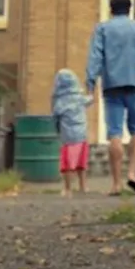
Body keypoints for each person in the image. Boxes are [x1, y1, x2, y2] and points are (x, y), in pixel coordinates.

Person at [85, 0, 135, 195]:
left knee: (115, 133)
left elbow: (95, 57)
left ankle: (116, 183)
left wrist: (91, 83)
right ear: (130, 9)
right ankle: (133, 173)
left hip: (112, 85)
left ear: (111, 9)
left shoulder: (102, 29)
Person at [51, 68, 94, 197]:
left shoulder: (59, 103)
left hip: (67, 137)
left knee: (67, 165)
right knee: (81, 163)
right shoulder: (80, 99)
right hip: (81, 136)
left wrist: (57, 130)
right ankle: (83, 186)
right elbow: (91, 99)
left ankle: (68, 189)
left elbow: (55, 119)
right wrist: (91, 88)